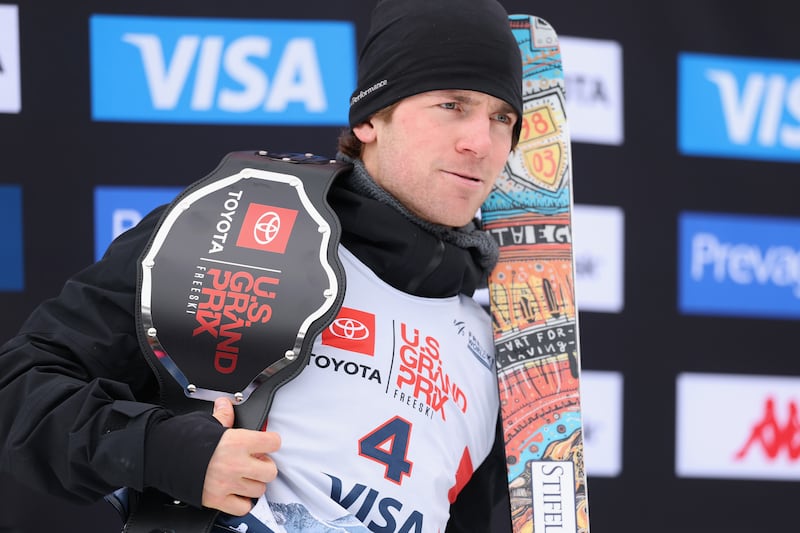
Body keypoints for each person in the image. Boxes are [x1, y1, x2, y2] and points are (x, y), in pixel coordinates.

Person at [0, 0, 522, 531]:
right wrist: (166, 452)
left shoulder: (487, 350)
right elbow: (20, 389)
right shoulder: (236, 230)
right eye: (452, 105)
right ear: (370, 118)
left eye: (502, 118)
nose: (479, 142)